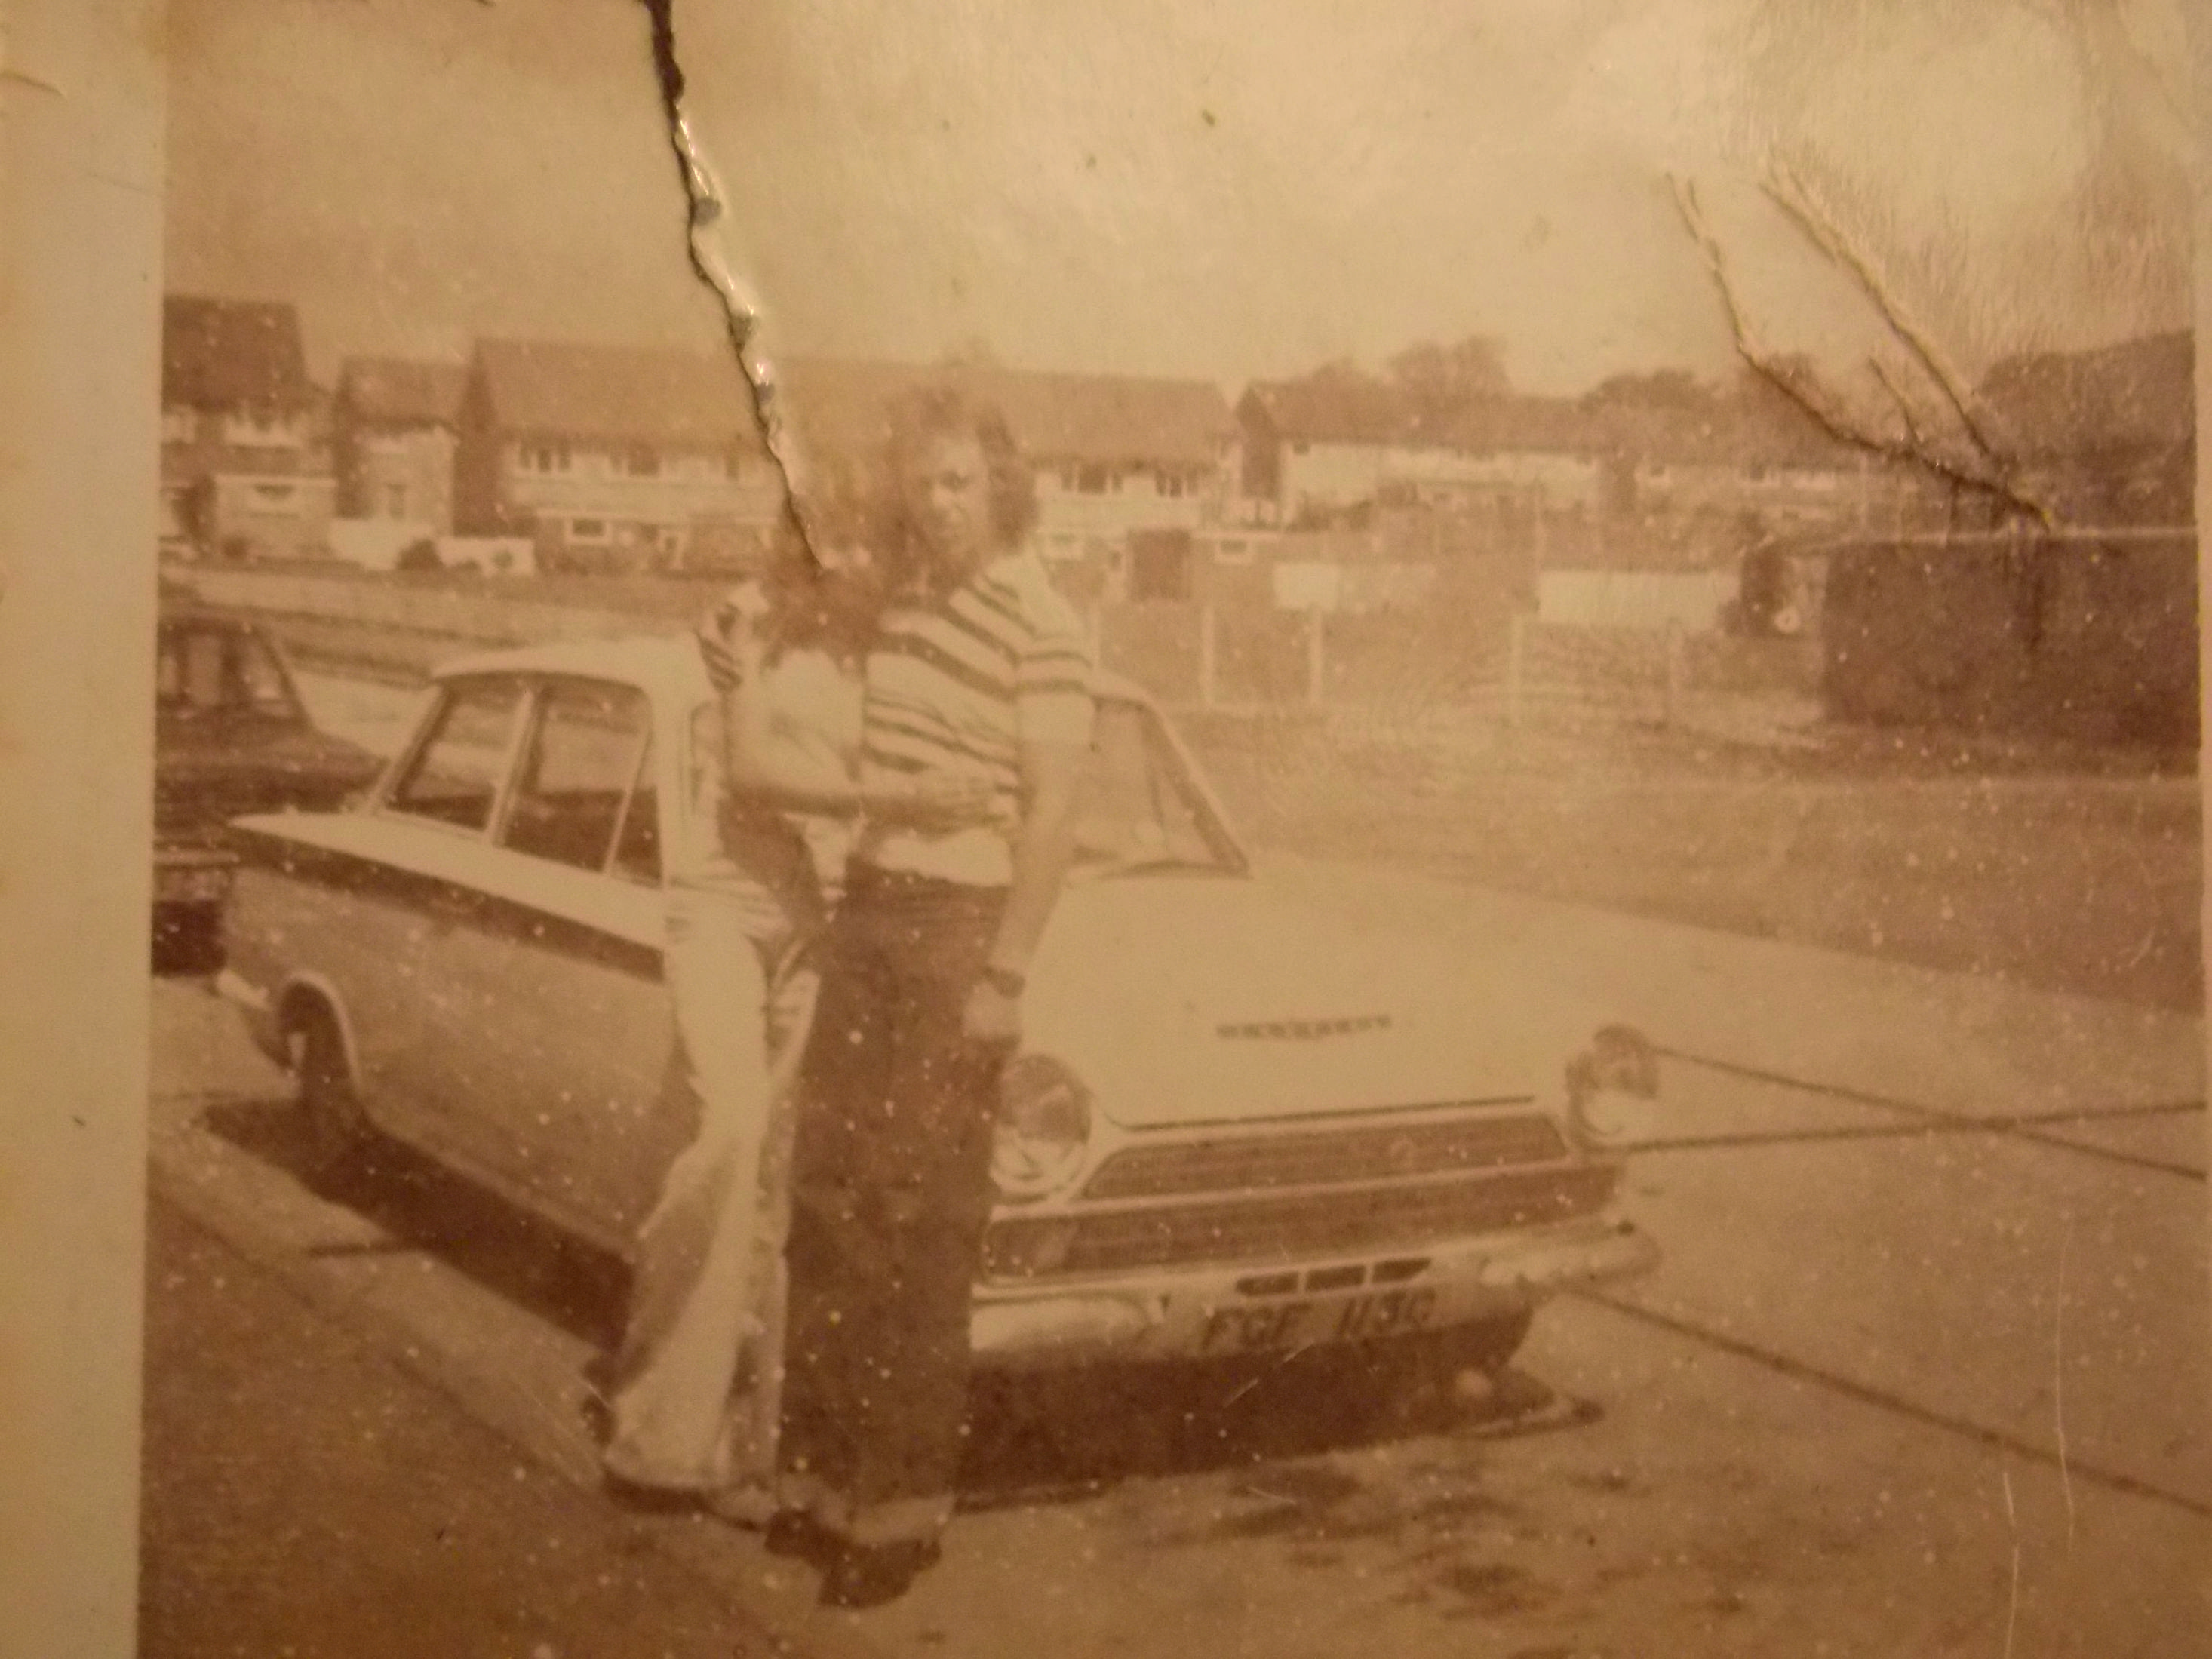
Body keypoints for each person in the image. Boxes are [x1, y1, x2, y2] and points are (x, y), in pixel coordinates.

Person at [773, 383, 1095, 1608]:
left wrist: (1005, 974)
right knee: (830, 1195)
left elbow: (1056, 815)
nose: (938, 501)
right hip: (869, 914)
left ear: (1003, 487)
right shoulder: (901, 606)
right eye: (923, 480)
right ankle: (815, 1485)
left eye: (960, 480)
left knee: (918, 1220)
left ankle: (896, 1514)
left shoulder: (1045, 620)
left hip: (962, 930)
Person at [598, 521, 990, 1522]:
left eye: (873, 543)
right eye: (840, 540)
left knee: (791, 1178)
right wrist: (894, 792)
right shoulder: (755, 624)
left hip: (827, 924)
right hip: (729, 908)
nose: (858, 558)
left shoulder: (894, 644)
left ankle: (757, 1446)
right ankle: (656, 1429)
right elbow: (758, 772)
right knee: (728, 1130)